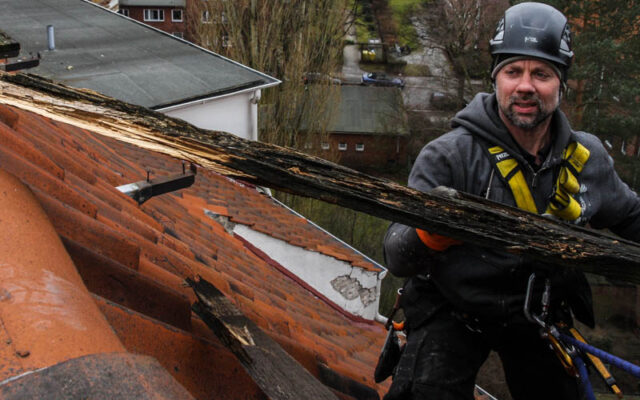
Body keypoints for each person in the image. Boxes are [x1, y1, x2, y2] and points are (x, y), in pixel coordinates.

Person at [382, 2, 640, 399]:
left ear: (561, 84)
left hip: (534, 313)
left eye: (542, 74)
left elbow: (631, 217)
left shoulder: (586, 161)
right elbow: (397, 255)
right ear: (496, 79)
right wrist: (431, 234)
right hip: (453, 309)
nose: (525, 85)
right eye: (512, 71)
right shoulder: (450, 156)